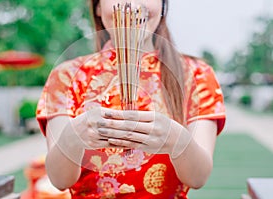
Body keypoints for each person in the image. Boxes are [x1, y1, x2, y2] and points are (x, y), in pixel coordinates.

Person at [36, 0, 226, 198]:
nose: (132, 6)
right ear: (98, 7)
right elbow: (60, 180)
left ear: (163, 5)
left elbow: (197, 178)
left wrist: (176, 140)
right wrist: (73, 138)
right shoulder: (67, 76)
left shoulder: (195, 75)